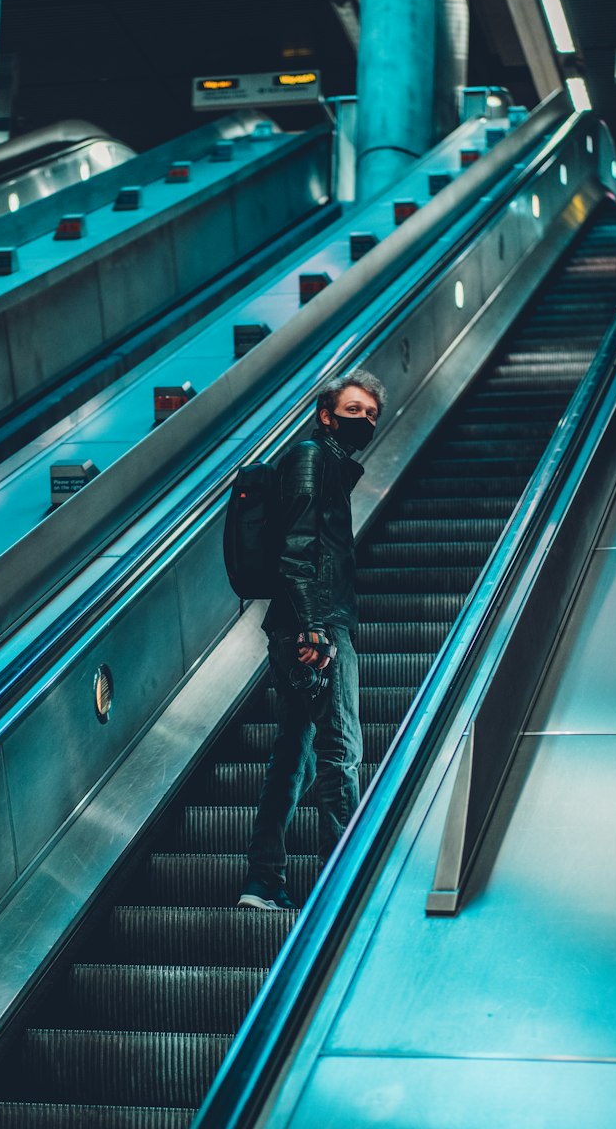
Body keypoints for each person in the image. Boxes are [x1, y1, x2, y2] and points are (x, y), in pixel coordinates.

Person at [238, 369, 386, 910]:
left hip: (307, 622)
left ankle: (263, 880)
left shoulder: (325, 464)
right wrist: (313, 628)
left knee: (294, 751)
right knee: (341, 748)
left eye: (370, 415)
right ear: (327, 413)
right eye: (353, 411)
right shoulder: (311, 459)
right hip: (317, 625)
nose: (363, 422)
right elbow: (298, 547)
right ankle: (339, 885)